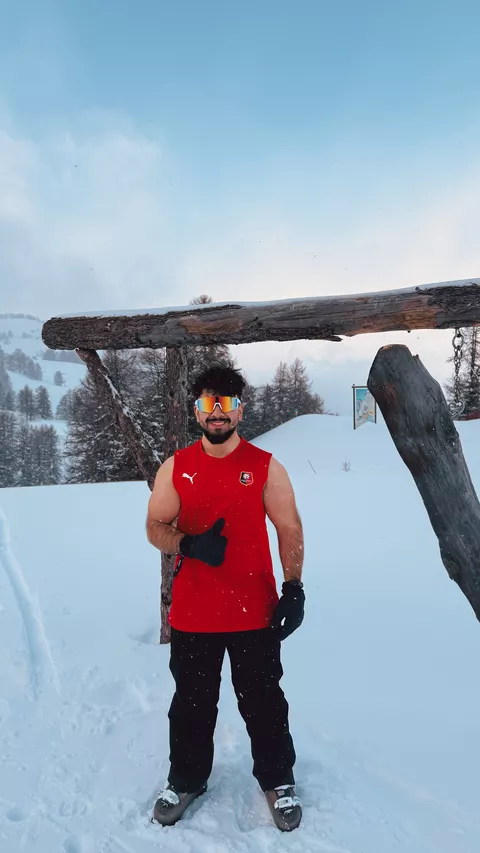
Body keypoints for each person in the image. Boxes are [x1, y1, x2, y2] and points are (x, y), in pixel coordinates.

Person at [146, 363, 305, 832]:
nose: (217, 414)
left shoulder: (264, 466)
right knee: (192, 701)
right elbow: (154, 527)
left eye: (227, 404)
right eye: (208, 404)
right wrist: (188, 544)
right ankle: (187, 779)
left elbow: (289, 528)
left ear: (240, 410)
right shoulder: (177, 467)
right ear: (195, 410)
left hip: (253, 610)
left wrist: (293, 587)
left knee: (263, 700)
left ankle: (278, 781)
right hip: (194, 612)